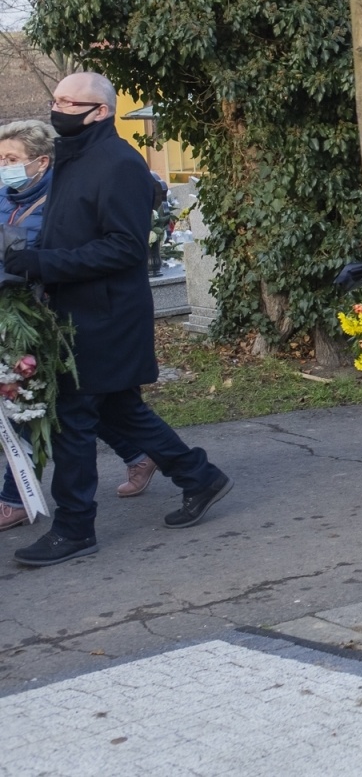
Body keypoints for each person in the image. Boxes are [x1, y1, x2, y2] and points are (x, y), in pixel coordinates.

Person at [6, 74, 231, 567]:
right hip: (74, 310)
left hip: (103, 316)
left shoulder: (120, 164)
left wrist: (43, 264)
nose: (57, 107)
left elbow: (124, 247)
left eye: (69, 101)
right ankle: (200, 476)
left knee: (74, 419)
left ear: (100, 111)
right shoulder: (70, 156)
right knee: (120, 412)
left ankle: (74, 529)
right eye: (56, 99)